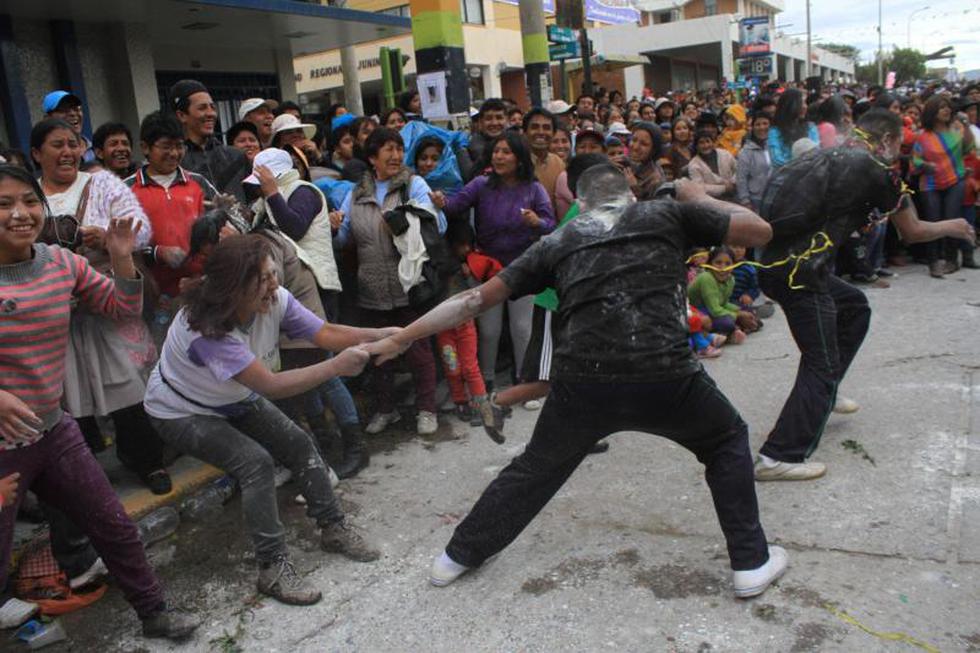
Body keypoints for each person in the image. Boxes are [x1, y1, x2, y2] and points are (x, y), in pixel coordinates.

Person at [363, 165, 787, 599]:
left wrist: (404, 336)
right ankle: (751, 562)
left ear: (581, 205)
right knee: (726, 438)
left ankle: (454, 558)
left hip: (586, 383)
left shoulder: (561, 238)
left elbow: (474, 299)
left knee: (535, 469)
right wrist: (698, 196)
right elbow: (761, 231)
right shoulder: (670, 214)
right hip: (666, 374)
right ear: (630, 197)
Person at [0, 164, 197, 639]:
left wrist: (121, 257)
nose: (20, 214)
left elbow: (123, 310)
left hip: (53, 428)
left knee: (114, 524)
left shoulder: (59, 263)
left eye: (29, 201)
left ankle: (154, 613)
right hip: (3, 446)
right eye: (4, 204)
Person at [144, 235, 382, 605]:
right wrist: (337, 365)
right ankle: (272, 568)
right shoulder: (206, 332)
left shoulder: (273, 299)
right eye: (264, 279)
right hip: (181, 409)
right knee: (254, 463)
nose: (276, 285)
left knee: (298, 443)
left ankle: (333, 527)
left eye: (275, 273)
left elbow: (325, 332)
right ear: (232, 288)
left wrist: (383, 336)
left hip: (231, 395)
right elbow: (270, 385)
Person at [754, 109, 977, 481]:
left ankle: (825, 394)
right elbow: (913, 231)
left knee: (855, 307)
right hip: (803, 275)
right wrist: (953, 226)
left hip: (776, 267)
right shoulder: (877, 169)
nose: (896, 153)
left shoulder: (820, 154)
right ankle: (779, 456)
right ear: (888, 140)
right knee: (819, 362)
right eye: (897, 146)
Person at [32, 118, 170, 493]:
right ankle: (86, 471)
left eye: (73, 144)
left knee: (127, 383)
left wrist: (108, 236)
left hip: (107, 298)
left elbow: (140, 227)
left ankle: (146, 459)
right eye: (57, 145)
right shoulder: (29, 194)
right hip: (55, 310)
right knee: (68, 393)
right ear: (36, 153)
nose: (67, 152)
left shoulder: (102, 182)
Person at [335, 128, 444, 435]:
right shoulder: (355, 194)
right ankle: (387, 409)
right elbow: (344, 238)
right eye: (388, 150)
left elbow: (437, 227)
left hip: (409, 284)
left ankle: (427, 409)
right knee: (378, 353)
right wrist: (333, 227)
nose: (396, 156)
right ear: (372, 158)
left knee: (418, 350)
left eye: (398, 149)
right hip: (372, 286)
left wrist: (435, 209)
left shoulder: (413, 185)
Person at [432, 131, 555, 394]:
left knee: (522, 329)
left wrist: (537, 222)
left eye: (506, 152)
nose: (499, 156)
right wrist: (441, 202)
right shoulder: (480, 184)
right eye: (496, 151)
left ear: (519, 159)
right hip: (487, 269)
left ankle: (523, 380)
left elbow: (551, 224)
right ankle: (485, 381)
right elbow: (454, 208)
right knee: (489, 329)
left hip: (525, 267)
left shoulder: (534, 189)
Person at [126, 111, 218, 308]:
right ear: (145, 148)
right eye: (166, 147)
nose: (174, 153)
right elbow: (119, 243)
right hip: (153, 296)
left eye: (179, 146)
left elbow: (220, 227)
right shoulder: (127, 189)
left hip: (201, 290)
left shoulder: (198, 182)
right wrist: (157, 253)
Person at [912, 95, 971, 277]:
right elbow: (914, 162)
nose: (946, 110)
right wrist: (924, 165)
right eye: (941, 107)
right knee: (932, 223)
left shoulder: (957, 132)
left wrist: (966, 126)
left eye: (948, 107)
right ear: (932, 112)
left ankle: (952, 260)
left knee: (951, 219)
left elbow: (970, 150)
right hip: (930, 184)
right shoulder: (922, 137)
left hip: (956, 181)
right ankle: (933, 262)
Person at [169, 79, 250, 201]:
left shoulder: (236, 156)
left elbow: (254, 199)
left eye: (212, 107)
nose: (211, 113)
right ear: (182, 115)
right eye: (202, 108)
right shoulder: (174, 163)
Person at [687, 246, 757, 341]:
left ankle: (737, 328)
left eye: (728, 263)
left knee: (749, 312)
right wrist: (739, 314)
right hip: (697, 311)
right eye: (718, 263)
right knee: (727, 322)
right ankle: (728, 332)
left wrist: (741, 310)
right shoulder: (706, 278)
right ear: (710, 264)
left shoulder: (731, 279)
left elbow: (723, 303)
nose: (723, 268)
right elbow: (715, 310)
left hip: (713, 309)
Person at [523, 108, 564, 211]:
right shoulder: (517, 163)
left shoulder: (558, 162)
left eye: (546, 128)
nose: (541, 132)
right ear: (524, 132)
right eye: (535, 127)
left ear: (553, 133)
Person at [768, 88, 819, 169]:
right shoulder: (775, 131)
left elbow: (817, 153)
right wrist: (800, 166)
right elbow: (776, 160)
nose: (805, 106)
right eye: (801, 103)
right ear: (788, 106)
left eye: (805, 103)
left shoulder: (810, 127)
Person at [42, 91, 95, 164]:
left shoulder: (98, 149)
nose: (73, 114)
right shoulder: (46, 155)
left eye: (76, 109)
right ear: (47, 119)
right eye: (64, 110)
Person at [687, 129, 737, 200]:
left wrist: (733, 182)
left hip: (734, 195)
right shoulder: (693, 165)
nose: (706, 145)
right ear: (696, 146)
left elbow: (739, 170)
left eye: (708, 141)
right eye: (701, 143)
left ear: (713, 142)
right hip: (711, 202)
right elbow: (700, 188)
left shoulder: (725, 154)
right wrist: (724, 188)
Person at [736, 112, 771, 211]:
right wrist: (745, 202)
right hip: (756, 200)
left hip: (775, 197)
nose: (762, 127)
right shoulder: (746, 152)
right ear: (752, 128)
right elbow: (741, 179)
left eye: (765, 123)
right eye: (758, 124)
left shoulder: (775, 147)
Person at [626, 121, 666, 200]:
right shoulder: (622, 162)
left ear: (653, 150)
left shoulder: (655, 180)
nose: (636, 147)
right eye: (634, 140)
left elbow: (653, 210)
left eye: (644, 144)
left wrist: (634, 189)